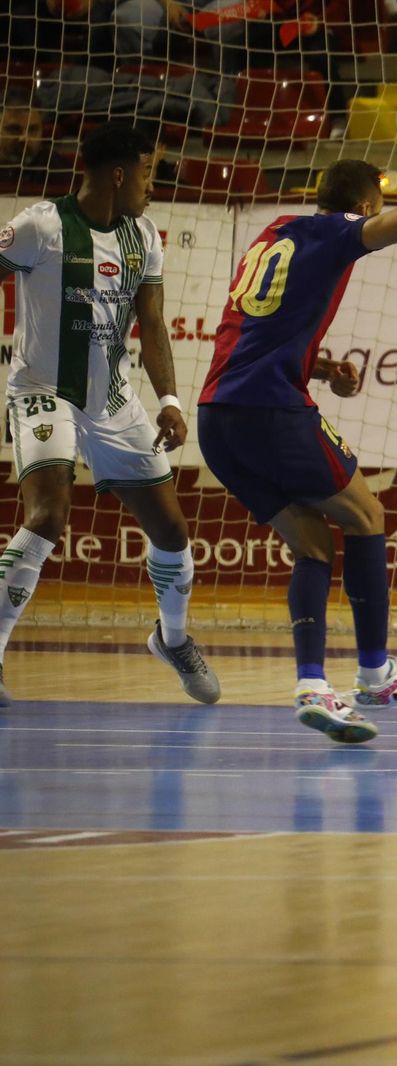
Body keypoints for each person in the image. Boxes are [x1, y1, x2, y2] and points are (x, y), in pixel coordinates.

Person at [196, 160, 397, 744]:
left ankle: (312, 686)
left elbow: (262, 326)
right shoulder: (339, 229)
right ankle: (376, 674)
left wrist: (320, 365)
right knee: (368, 516)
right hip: (271, 412)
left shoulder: (274, 231)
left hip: (217, 418)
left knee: (311, 545)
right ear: (363, 204)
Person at [0, 123, 218, 706]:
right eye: (148, 172)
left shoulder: (143, 235)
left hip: (112, 399)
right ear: (119, 174)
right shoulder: (40, 227)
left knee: (172, 530)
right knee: (47, 515)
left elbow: (151, 323)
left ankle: (172, 639)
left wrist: (170, 400)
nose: (152, 185)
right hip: (44, 390)